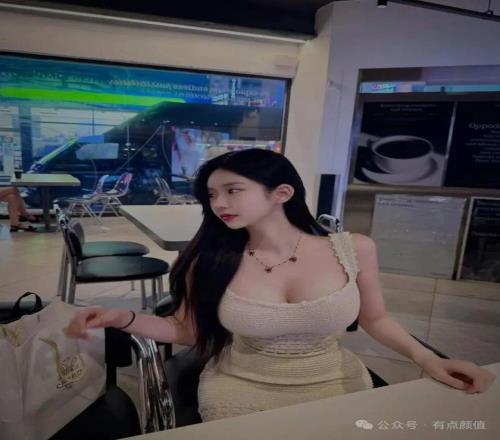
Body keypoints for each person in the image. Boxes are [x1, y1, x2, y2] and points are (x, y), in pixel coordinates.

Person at [65, 149, 496, 422]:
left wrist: (427, 359)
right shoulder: (209, 259)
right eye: (211, 195)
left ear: (282, 193)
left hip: (335, 381)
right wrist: (122, 317)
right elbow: (187, 331)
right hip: (240, 387)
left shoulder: (354, 249)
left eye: (232, 190)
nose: (218, 204)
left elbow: (376, 318)